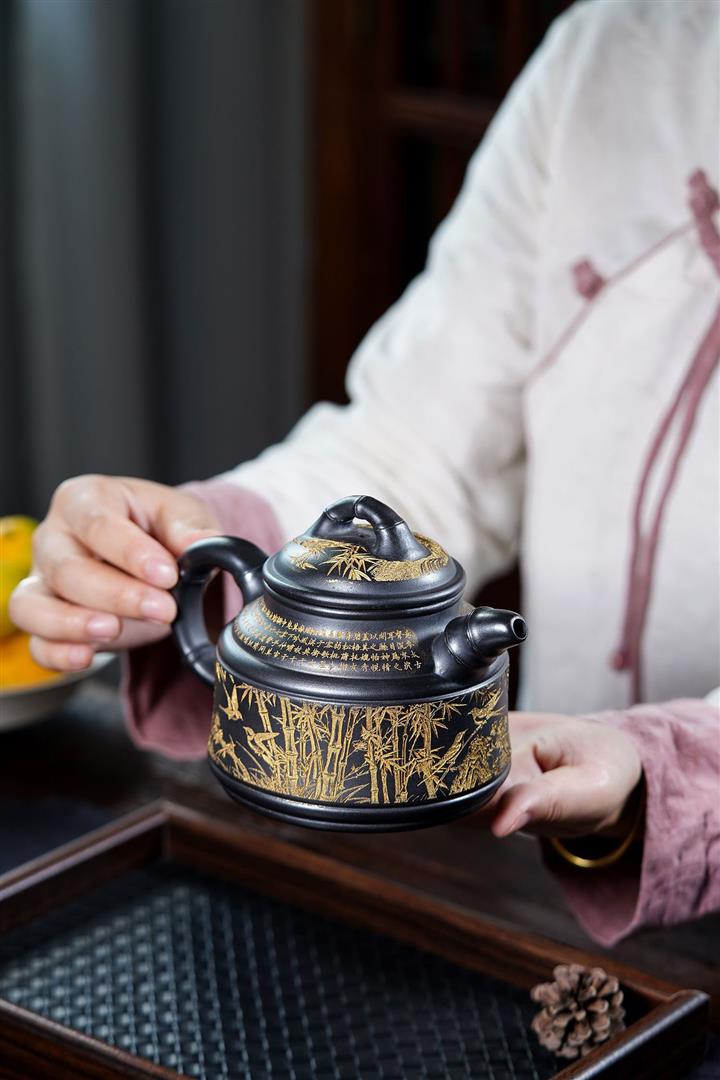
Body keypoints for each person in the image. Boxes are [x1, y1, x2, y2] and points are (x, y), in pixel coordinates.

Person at [9, 0, 719, 947]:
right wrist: (185, 540)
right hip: (540, 891)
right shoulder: (619, 42)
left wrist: (676, 770)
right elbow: (414, 447)